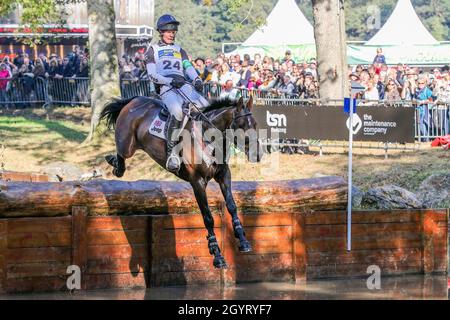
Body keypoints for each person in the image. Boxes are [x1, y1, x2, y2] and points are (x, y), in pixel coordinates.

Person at [145, 14, 208, 172]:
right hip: (166, 87)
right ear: (161, 32)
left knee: (206, 107)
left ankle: (209, 145)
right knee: (178, 111)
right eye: (168, 31)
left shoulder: (180, 50)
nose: (172, 33)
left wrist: (197, 79)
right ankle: (172, 152)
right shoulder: (153, 49)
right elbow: (151, 74)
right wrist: (169, 81)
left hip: (184, 85)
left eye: (174, 31)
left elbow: (188, 67)